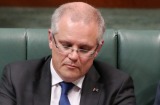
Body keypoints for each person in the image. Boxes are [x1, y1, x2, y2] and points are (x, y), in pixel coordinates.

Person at [0, 2, 136, 105]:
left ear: (97, 49)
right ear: (50, 40)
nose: (73, 56)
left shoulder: (117, 86)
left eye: (84, 48)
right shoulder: (17, 78)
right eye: (66, 46)